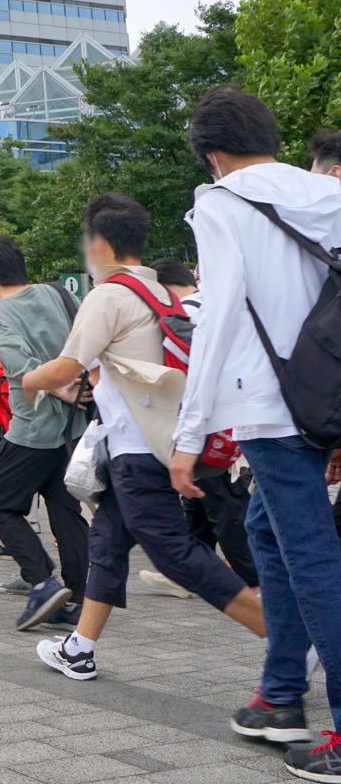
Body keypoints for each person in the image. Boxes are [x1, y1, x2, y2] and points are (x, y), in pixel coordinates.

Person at [20, 193, 265, 682]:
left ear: (101, 243)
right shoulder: (166, 295)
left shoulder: (109, 296)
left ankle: (288, 636)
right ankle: (79, 649)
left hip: (138, 451)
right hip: (160, 442)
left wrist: (29, 380)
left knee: (176, 555)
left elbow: (67, 366)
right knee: (107, 544)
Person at [172, 87, 341, 782]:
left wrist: (190, 433)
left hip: (272, 408)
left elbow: (216, 321)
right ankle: (278, 697)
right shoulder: (325, 192)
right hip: (327, 397)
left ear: (213, 155)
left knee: (310, 554)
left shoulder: (221, 204)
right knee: (273, 534)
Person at [0, 234, 91, 631]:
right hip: (73, 427)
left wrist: (59, 387)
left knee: (1, 501)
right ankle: (76, 598)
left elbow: (20, 365)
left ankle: (43, 582)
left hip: (33, 428)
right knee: (65, 509)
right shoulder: (58, 294)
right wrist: (79, 387)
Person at [141, 256, 259, 597]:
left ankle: (253, 579)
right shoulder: (219, 302)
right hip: (232, 415)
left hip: (205, 422)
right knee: (201, 494)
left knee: (223, 500)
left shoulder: (186, 314)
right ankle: (188, 569)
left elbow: (193, 377)